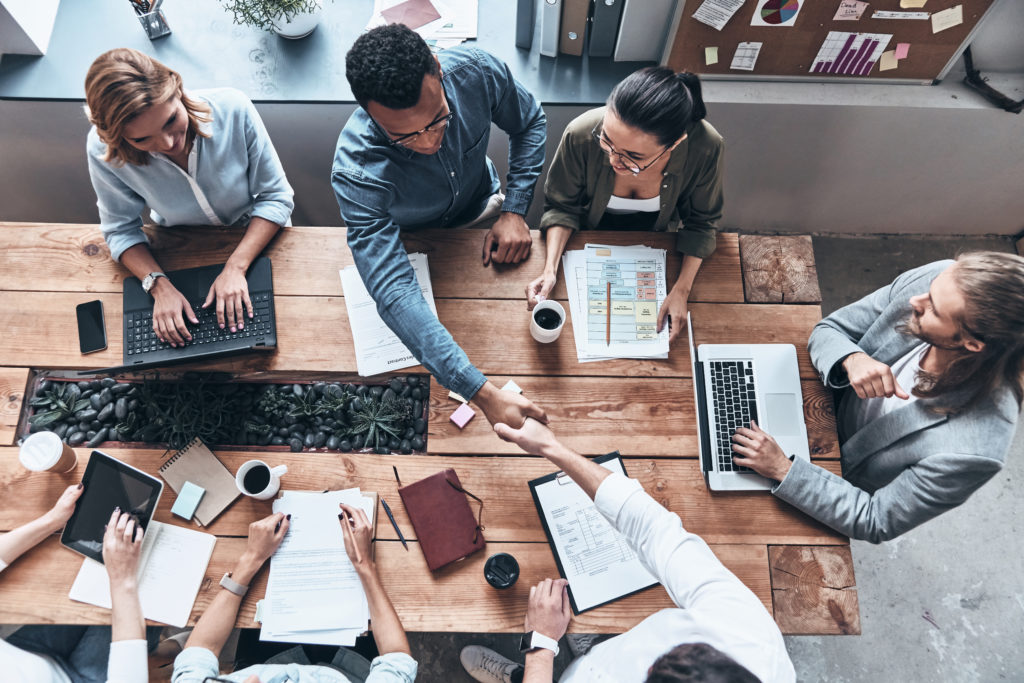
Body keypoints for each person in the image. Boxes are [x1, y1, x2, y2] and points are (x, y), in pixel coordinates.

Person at [459, 419, 794, 683]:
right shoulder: (748, 632)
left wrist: (542, 644)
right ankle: (590, 654)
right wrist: (552, 447)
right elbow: (653, 529)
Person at [333, 24, 548, 429]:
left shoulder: (478, 70)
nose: (429, 141)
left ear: (437, 67)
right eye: (405, 136)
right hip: (413, 241)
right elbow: (395, 291)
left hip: (485, 210)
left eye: (438, 118)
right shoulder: (356, 172)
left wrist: (516, 210)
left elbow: (529, 122)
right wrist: (480, 392)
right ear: (367, 111)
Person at [730, 252, 1024, 543]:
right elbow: (830, 329)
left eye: (933, 309)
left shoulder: (974, 452)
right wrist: (852, 358)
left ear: (972, 343)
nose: (915, 301)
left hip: (827, 478)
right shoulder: (938, 278)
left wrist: (783, 469)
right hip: (814, 400)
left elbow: (875, 520)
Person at [85, 47, 294, 347]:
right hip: (179, 247)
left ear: (178, 90)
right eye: (142, 139)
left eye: (170, 120)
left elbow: (276, 196)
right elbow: (120, 229)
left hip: (259, 235)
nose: (168, 142)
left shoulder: (233, 109)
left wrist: (236, 267)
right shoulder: (103, 151)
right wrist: (158, 286)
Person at [526, 67, 723, 344]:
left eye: (633, 156)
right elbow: (561, 207)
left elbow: (702, 223)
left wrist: (681, 290)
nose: (614, 161)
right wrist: (549, 270)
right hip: (584, 242)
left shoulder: (705, 147)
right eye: (606, 141)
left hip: (657, 247)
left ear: (675, 144)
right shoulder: (580, 133)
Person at [172, 505, 417, 682]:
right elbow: (397, 661)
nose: (251, 681)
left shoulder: (250, 677)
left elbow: (199, 650)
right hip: (353, 669)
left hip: (267, 660)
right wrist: (364, 564)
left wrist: (251, 559)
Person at [1, 487, 154, 683]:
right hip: (81, 678)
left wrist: (53, 520)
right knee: (145, 595)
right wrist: (122, 580)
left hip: (27, 651)